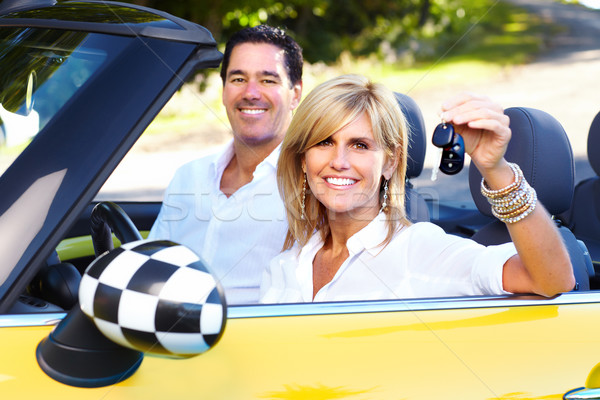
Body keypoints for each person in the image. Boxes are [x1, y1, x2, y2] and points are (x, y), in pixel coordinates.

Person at [259, 74, 575, 303]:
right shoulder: (284, 266)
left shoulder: (419, 251)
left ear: (391, 162)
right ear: (302, 160)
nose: (339, 161)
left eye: (360, 145)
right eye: (324, 142)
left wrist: (495, 169)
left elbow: (551, 279)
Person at [148, 25, 303, 304]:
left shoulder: (312, 185)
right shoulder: (189, 176)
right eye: (238, 78)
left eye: (268, 80)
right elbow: (155, 266)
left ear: (295, 94)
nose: (251, 93)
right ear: (223, 91)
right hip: (172, 331)